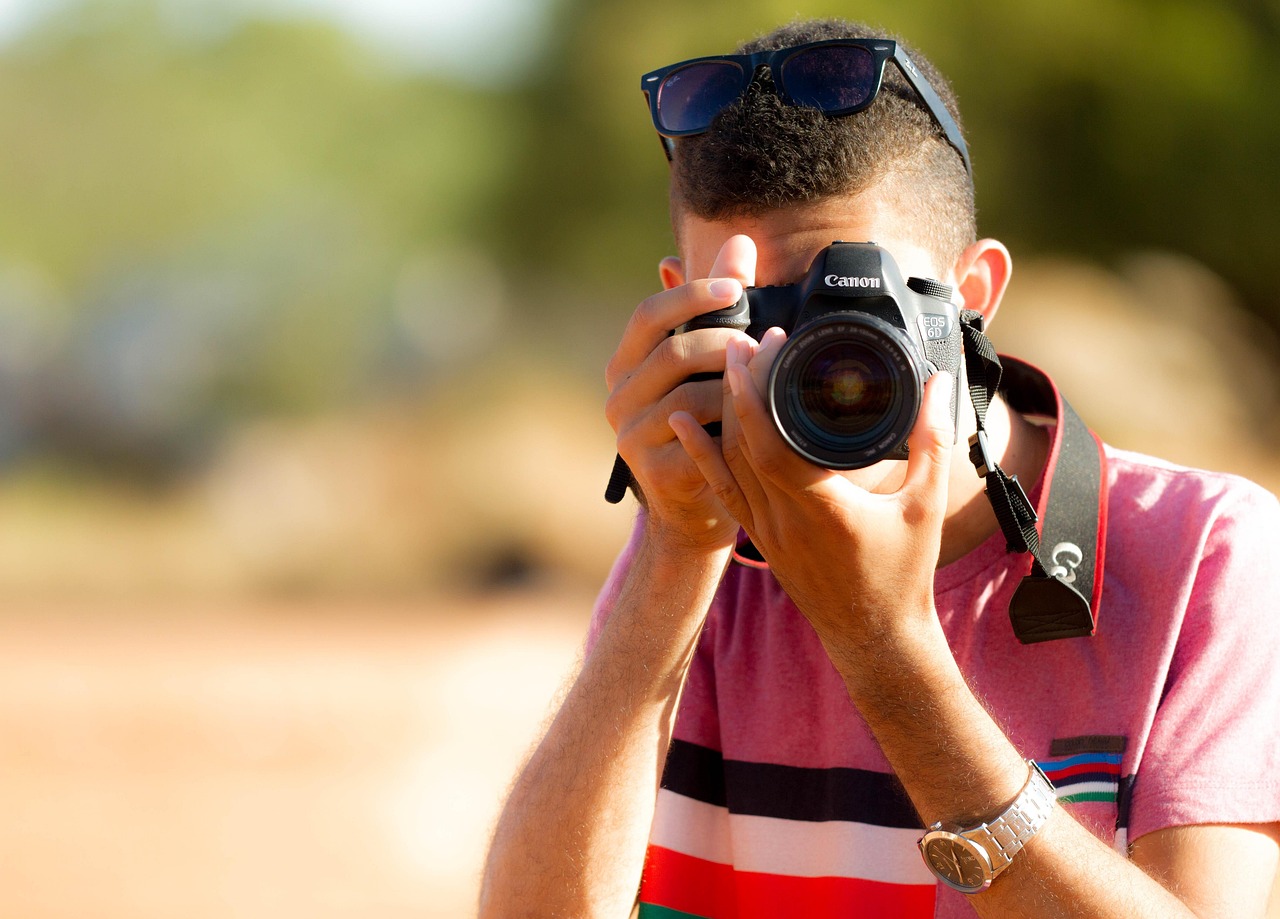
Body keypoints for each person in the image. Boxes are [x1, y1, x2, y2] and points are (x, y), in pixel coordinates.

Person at [479, 18, 1280, 919]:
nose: (812, 361)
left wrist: (885, 647)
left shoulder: (1201, 554)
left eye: (857, 307)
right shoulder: (696, 562)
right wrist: (674, 550)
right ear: (681, 314)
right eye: (756, 318)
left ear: (974, 295)